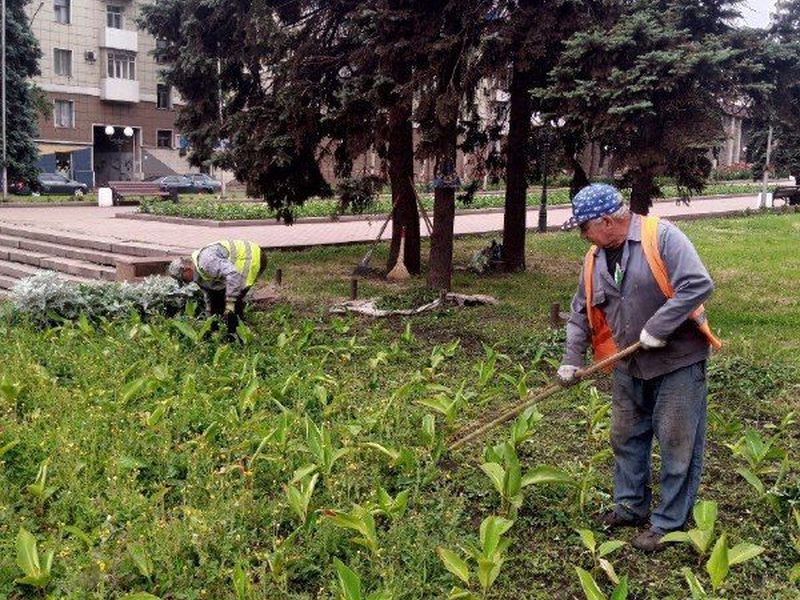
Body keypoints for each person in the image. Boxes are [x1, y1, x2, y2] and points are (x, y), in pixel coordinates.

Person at [557, 183, 721, 552]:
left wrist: (658, 327)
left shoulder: (661, 237)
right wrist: (571, 360)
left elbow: (698, 284)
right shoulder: (595, 258)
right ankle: (630, 506)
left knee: (678, 444)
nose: (583, 236)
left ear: (605, 221)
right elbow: (580, 313)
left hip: (678, 361)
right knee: (625, 436)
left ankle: (668, 524)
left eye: (584, 227)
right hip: (629, 364)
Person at [167, 239, 265, 334]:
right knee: (220, 298)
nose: (187, 283)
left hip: (251, 257)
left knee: (234, 302)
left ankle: (238, 336)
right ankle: (223, 332)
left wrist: (230, 303)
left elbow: (233, 274)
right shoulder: (199, 273)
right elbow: (210, 297)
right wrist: (210, 320)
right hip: (235, 266)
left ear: (186, 270)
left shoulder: (207, 262)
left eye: (184, 279)